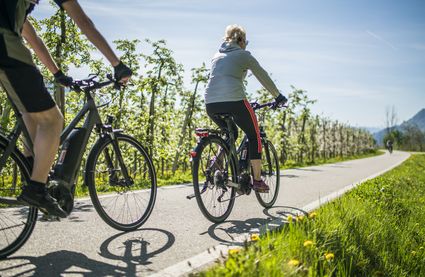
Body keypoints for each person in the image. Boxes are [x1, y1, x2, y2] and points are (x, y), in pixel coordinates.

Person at [0, 0, 132, 217]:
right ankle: (36, 188)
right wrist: (117, 64)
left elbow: (28, 32)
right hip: (4, 43)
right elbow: (84, 22)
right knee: (52, 120)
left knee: (31, 115)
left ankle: (32, 171)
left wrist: (57, 73)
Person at [204, 24, 287, 193]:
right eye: (246, 42)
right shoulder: (244, 55)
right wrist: (277, 96)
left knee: (231, 133)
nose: (246, 45)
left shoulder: (216, 56)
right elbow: (262, 76)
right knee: (254, 135)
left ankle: (217, 161)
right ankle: (257, 181)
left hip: (210, 103)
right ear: (241, 40)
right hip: (234, 100)